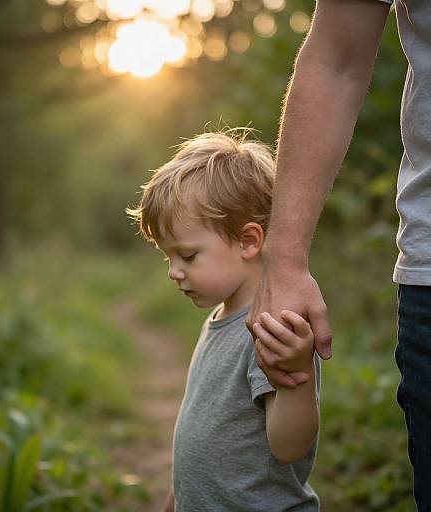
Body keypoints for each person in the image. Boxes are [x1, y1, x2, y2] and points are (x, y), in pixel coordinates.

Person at [246, 0, 431, 509]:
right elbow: (336, 58)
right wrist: (285, 262)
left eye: (188, 255)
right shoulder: (233, 331)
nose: (175, 273)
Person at [128, 131, 321, 511]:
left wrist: (298, 375)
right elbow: (198, 447)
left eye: (187, 255)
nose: (174, 272)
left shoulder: (272, 329)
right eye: (169, 258)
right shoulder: (220, 319)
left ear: (249, 241)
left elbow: (289, 447)